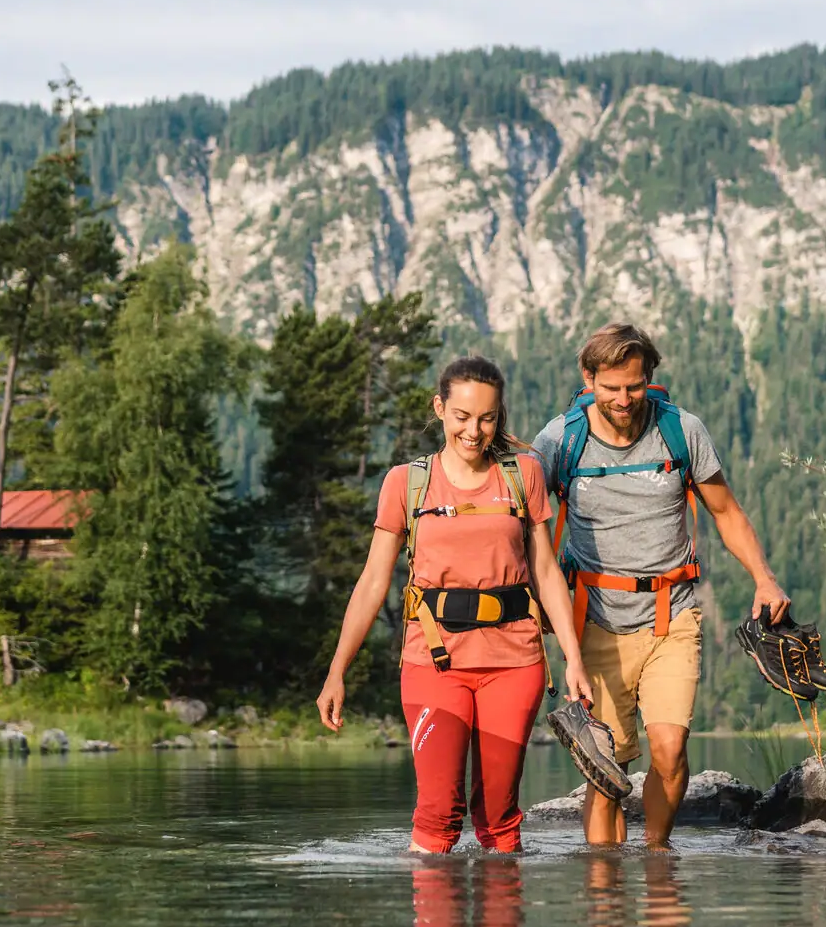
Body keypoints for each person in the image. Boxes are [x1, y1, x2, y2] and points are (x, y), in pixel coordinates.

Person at [318, 355, 591, 853]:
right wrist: (338, 670)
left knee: (499, 816)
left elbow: (547, 573)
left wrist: (573, 659)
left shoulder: (522, 475)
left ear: (498, 416)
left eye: (487, 418)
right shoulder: (406, 482)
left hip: (515, 662)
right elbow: (373, 581)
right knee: (440, 811)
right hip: (433, 662)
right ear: (440, 408)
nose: (474, 430)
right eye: (462, 417)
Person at [532, 323, 788, 849]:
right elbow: (523, 527)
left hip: (673, 616)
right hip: (594, 621)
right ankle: (605, 901)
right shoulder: (559, 440)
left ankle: (656, 861)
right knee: (606, 773)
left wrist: (764, 579)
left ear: (649, 377)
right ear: (589, 379)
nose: (624, 399)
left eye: (634, 385)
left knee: (669, 753)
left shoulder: (682, 431)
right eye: (611, 388)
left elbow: (726, 512)